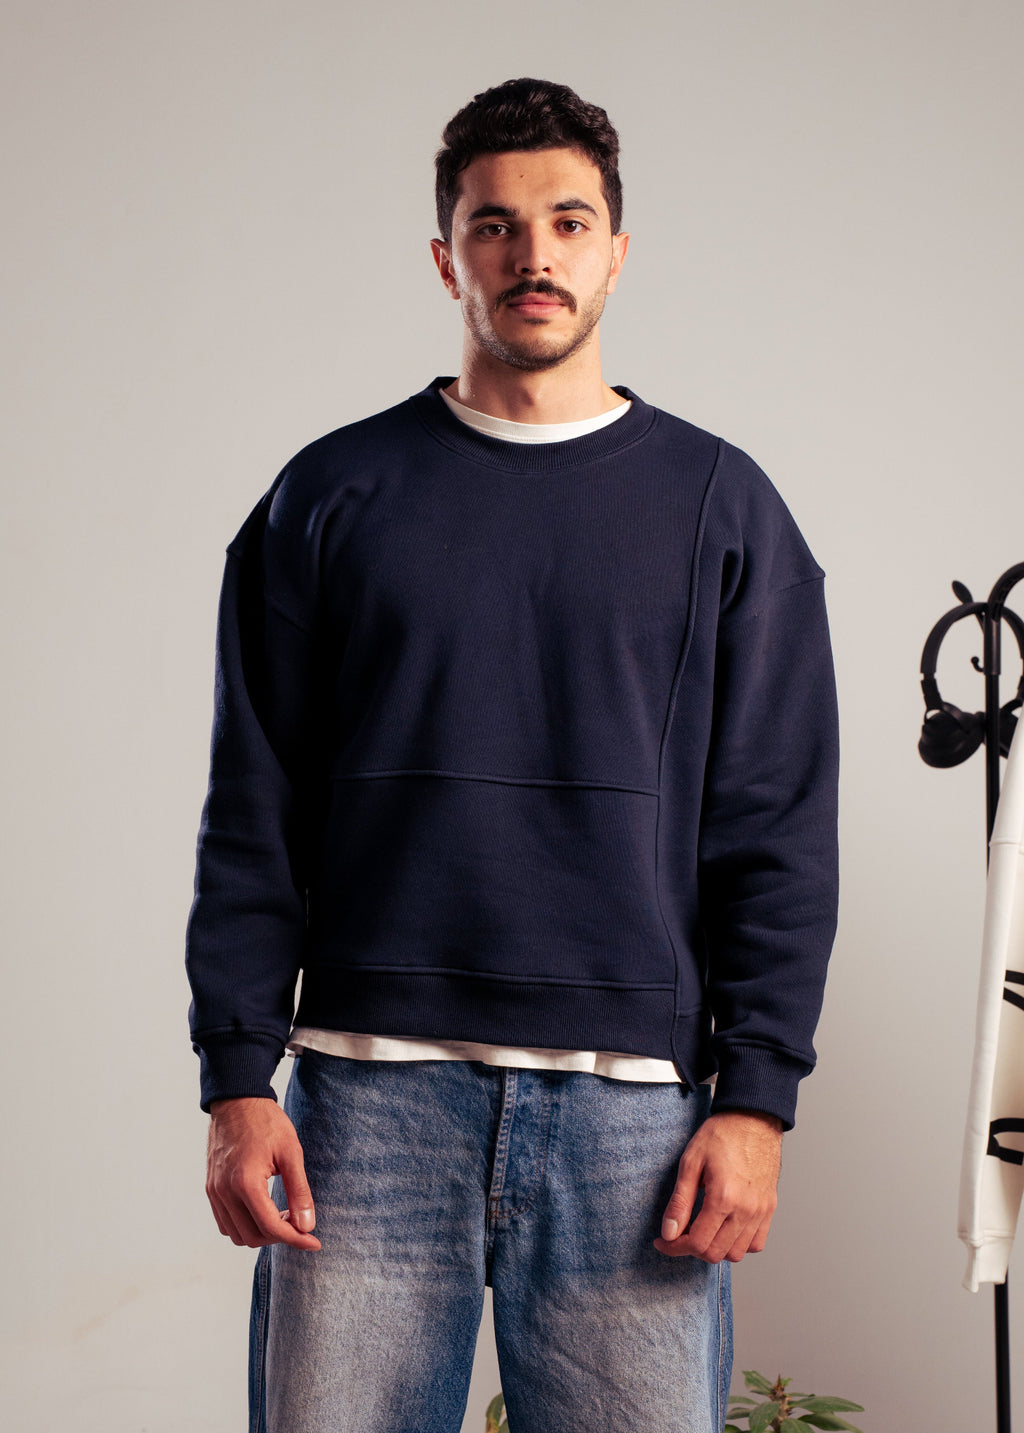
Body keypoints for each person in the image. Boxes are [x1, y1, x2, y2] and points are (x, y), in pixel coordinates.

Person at [186, 77, 840, 1433]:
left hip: (632, 1127)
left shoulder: (724, 509)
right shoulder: (329, 497)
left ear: (615, 249)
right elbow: (255, 803)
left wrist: (759, 1099)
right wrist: (240, 1078)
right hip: (367, 1107)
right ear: (448, 257)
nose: (531, 253)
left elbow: (775, 822)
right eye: (494, 225)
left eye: (567, 220)